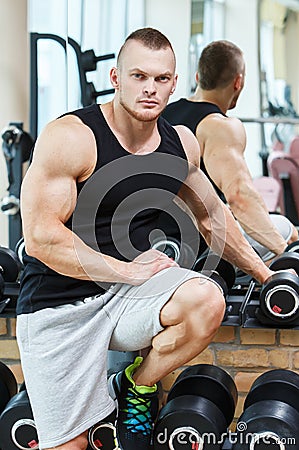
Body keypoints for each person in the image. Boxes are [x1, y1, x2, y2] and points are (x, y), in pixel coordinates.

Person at [16, 29, 275, 450]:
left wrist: (267, 276)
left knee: (206, 300)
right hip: (59, 303)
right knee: (72, 445)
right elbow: (43, 239)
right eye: (139, 76)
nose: (150, 89)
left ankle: (133, 385)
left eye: (161, 79)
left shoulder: (180, 144)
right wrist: (128, 269)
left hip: (127, 297)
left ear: (175, 84)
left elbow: (211, 216)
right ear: (117, 77)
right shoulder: (72, 137)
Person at [162, 39, 299, 262]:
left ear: (198, 77)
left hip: (152, 239)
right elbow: (240, 199)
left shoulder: (164, 113)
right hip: (194, 248)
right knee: (287, 229)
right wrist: (286, 253)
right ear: (238, 83)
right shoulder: (219, 126)